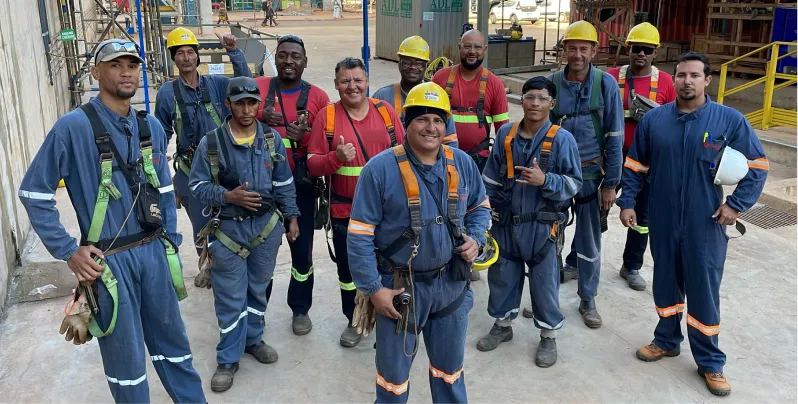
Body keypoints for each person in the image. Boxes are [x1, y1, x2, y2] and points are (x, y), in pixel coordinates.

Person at [18, 39, 205, 403]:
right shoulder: (72, 128)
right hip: (109, 263)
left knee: (175, 347)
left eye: (132, 65)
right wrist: (70, 251)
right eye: (116, 65)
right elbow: (34, 194)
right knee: (126, 362)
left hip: (154, 253)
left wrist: (171, 242)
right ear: (96, 72)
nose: (126, 73)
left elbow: (164, 191)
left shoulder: (148, 125)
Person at [618, 52, 769, 397]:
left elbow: (758, 165)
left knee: (703, 287)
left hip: (706, 220)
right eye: (681, 75)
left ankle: (710, 362)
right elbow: (636, 165)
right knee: (666, 281)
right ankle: (666, 339)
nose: (687, 81)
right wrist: (628, 202)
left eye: (694, 75)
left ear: (707, 80)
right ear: (675, 80)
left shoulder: (728, 120)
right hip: (663, 214)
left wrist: (735, 205)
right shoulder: (655, 121)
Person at [347, 81, 491, 403]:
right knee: (393, 381)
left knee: (449, 372)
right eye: (422, 119)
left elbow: (480, 207)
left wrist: (476, 240)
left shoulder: (461, 164)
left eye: (438, 119)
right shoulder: (380, 170)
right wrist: (374, 290)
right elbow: (358, 237)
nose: (431, 127)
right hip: (400, 290)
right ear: (406, 123)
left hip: (450, 286)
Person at [189, 76, 300, 393]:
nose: (247, 109)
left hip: (265, 230)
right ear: (228, 105)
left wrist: (291, 217)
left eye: (252, 102)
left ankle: (253, 339)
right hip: (228, 233)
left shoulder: (270, 140)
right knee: (229, 297)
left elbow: (283, 183)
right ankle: (228, 358)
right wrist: (228, 197)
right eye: (240, 103)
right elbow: (197, 186)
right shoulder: (212, 144)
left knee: (258, 291)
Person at [477, 77, 581, 368]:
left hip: (542, 227)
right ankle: (502, 324)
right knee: (502, 276)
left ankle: (548, 335)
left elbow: (575, 184)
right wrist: (485, 214)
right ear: (520, 100)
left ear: (552, 103)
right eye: (530, 96)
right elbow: (490, 179)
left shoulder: (563, 140)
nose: (535, 103)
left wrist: (545, 180)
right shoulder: (506, 135)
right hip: (506, 224)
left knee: (545, 282)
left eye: (542, 97)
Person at [306, 57, 406, 348]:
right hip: (343, 211)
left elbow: (404, 155)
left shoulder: (385, 112)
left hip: (386, 214)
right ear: (336, 85)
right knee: (349, 273)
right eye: (345, 81)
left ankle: (390, 320)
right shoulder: (327, 117)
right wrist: (335, 158)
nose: (352, 86)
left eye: (358, 80)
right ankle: (355, 319)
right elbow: (312, 164)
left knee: (389, 267)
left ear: (367, 81)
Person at [545, 21, 624, 329]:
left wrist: (611, 184)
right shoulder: (552, 82)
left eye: (583, 49)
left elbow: (615, 136)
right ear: (564, 50)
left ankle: (588, 298)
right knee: (551, 237)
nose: (577, 55)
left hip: (593, 174)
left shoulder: (605, 85)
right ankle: (546, 295)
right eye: (571, 48)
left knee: (590, 242)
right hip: (559, 175)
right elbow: (542, 132)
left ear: (593, 51)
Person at [256, 34, 331, 335]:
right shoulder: (258, 89)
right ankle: (256, 309)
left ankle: (300, 308)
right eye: (283, 55)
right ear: (276, 58)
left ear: (305, 62)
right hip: (262, 186)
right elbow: (233, 116)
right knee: (261, 251)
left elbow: (327, 141)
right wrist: (262, 115)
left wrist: (309, 135)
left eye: (295, 56)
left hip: (301, 186)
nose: (289, 61)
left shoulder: (319, 98)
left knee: (301, 251)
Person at [154, 28, 251, 257]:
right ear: (174, 58)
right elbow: (161, 132)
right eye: (180, 53)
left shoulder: (216, 84)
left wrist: (233, 52)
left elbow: (245, 83)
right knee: (202, 223)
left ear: (197, 56)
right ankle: (208, 264)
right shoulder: (167, 94)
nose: (186, 58)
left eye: (190, 52)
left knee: (232, 217)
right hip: (190, 169)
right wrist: (160, 168)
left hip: (226, 163)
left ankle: (232, 263)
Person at [432, 28, 509, 282]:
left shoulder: (494, 84)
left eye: (477, 47)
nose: (472, 52)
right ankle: (443, 256)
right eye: (467, 46)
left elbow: (504, 133)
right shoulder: (441, 79)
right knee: (442, 209)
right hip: (442, 160)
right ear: (459, 47)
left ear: (484, 50)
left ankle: (469, 252)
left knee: (473, 209)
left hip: (477, 162)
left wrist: (503, 169)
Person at [606, 22, 676, 291]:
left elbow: (674, 123)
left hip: (648, 159)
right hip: (613, 155)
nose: (641, 54)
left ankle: (631, 266)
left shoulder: (666, 83)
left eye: (647, 50)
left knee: (642, 217)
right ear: (629, 48)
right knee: (594, 209)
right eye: (637, 49)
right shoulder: (612, 77)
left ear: (655, 52)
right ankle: (578, 261)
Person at [372, 35, 459, 148]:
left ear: (426, 66)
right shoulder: (382, 97)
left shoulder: (437, 97)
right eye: (407, 62)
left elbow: (450, 141)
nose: (413, 67)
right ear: (399, 64)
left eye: (418, 63)